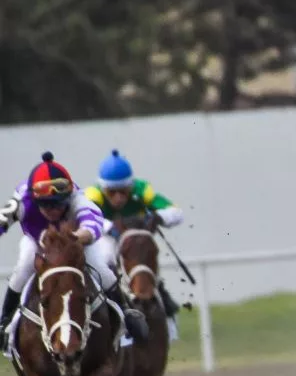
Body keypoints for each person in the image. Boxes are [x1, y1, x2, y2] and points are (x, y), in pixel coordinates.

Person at [0, 152, 149, 353]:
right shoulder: (22, 200)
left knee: (100, 268)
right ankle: (4, 322)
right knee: (25, 265)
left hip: (75, 240)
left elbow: (92, 226)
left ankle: (126, 313)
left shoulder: (78, 198)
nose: (53, 210)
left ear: (68, 196)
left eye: (59, 203)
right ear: (34, 200)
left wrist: (73, 238)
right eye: (46, 204)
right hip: (38, 240)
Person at [86, 149, 185, 328]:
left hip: (136, 241)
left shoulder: (142, 190)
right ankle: (108, 300)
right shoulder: (93, 194)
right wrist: (110, 227)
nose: (118, 197)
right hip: (107, 239)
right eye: (112, 192)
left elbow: (177, 213)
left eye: (123, 191)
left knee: (145, 255)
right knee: (106, 255)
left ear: (130, 186)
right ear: (103, 188)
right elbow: (87, 218)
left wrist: (158, 217)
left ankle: (161, 296)